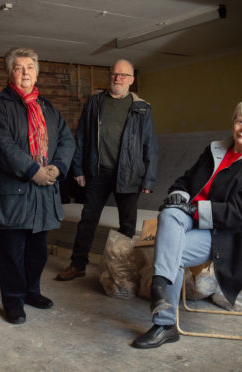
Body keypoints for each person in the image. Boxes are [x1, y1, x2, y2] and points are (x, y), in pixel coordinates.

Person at [132, 98, 242, 349]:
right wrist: (179, 198)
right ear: (233, 123)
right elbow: (186, 180)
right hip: (189, 219)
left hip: (223, 233)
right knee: (168, 214)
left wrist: (192, 208)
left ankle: (165, 324)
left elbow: (239, 213)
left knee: (172, 249)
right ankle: (159, 287)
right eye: (240, 121)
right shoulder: (216, 149)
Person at [0, 47, 75, 324]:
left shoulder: (47, 108)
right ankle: (13, 301)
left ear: (36, 73)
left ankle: (32, 291)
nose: (25, 72)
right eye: (19, 67)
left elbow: (67, 141)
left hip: (45, 192)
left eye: (30, 67)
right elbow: (3, 146)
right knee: (12, 252)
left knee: (37, 251)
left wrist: (57, 167)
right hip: (15, 192)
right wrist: (33, 170)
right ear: (10, 73)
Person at [56, 59, 158, 281]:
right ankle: (78, 264)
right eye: (114, 74)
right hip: (97, 172)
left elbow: (149, 144)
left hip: (129, 174)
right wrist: (78, 169)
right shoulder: (95, 102)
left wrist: (148, 179)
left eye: (123, 75)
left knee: (127, 226)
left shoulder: (141, 107)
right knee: (87, 220)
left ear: (131, 80)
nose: (117, 78)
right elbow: (81, 137)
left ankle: (122, 271)